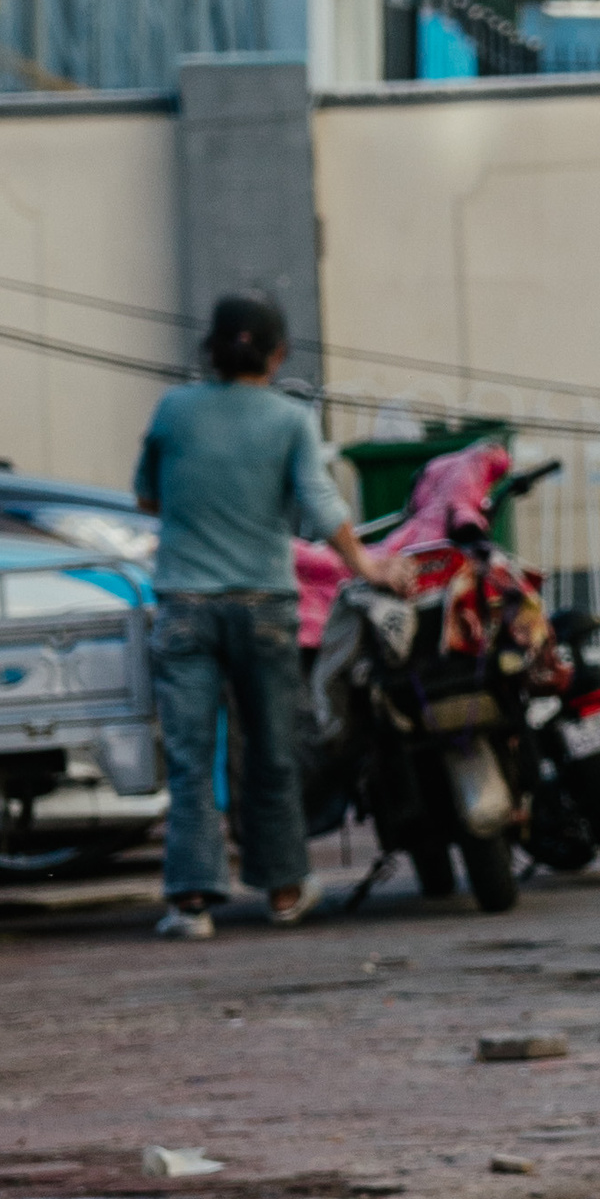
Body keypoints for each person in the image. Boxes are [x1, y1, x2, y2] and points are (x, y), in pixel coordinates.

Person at [133, 292, 386, 941]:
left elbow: (147, 495)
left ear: (211, 349)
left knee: (191, 757)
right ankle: (282, 889)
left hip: (185, 607)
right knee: (272, 749)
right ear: (277, 355)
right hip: (264, 609)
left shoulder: (173, 410)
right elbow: (321, 505)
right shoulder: (289, 419)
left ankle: (190, 903)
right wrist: (365, 564)